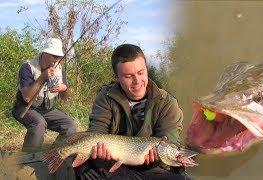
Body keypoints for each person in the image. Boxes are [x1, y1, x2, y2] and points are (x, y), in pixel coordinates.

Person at [75, 44, 190, 179]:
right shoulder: (106, 96)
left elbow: (170, 142)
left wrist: (159, 159)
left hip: (153, 170)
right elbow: (96, 132)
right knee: (82, 166)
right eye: (128, 76)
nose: (137, 81)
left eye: (141, 73)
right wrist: (100, 152)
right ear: (117, 77)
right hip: (114, 165)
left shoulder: (167, 103)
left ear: (146, 69)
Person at [12, 37, 76, 152]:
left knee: (69, 125)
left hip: (47, 110)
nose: (57, 59)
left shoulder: (59, 69)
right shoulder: (28, 67)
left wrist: (64, 88)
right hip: (25, 108)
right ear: (44, 53)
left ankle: (54, 156)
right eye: (54, 55)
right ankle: (26, 162)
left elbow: (65, 98)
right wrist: (42, 77)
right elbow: (26, 98)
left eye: (59, 56)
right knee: (39, 123)